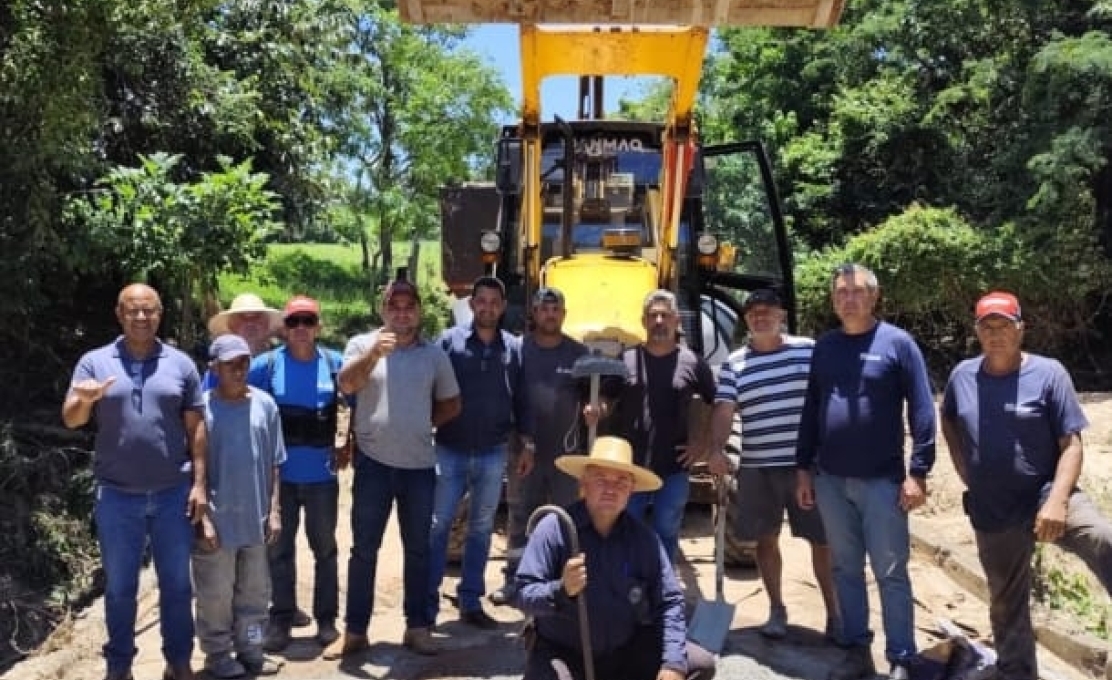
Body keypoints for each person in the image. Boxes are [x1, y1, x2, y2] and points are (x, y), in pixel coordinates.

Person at [940, 291, 1112, 680]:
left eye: (1004, 325)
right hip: (993, 506)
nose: (995, 333)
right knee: (1005, 601)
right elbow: (948, 419)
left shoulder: (1049, 373)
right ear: (977, 332)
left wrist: (1056, 501)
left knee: (1103, 537)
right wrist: (967, 471)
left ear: (1021, 329)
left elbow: (1072, 445)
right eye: (987, 326)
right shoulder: (962, 376)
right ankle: (1017, 673)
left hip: (1047, 492)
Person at [794, 263, 936, 680]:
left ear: (874, 296)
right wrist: (804, 468)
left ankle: (901, 656)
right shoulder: (826, 347)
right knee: (844, 567)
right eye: (841, 293)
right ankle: (855, 646)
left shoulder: (898, 344)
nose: (848, 299)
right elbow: (811, 410)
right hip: (831, 480)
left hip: (883, 483)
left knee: (891, 571)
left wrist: (919, 472)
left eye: (857, 291)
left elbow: (923, 409)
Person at [62, 283, 205, 680]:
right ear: (119, 314)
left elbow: (196, 429)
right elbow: (72, 419)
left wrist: (198, 484)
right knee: (120, 588)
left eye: (150, 310)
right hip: (116, 496)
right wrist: (85, 399)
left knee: (177, 586)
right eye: (133, 310)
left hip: (172, 492)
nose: (141, 317)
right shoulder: (94, 362)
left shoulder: (181, 364)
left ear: (160, 313)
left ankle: (178, 661)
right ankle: (119, 666)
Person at [325, 278, 461, 659]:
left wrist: (420, 423)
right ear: (383, 310)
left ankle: (416, 627)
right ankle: (355, 631)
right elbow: (347, 385)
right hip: (373, 465)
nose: (402, 313)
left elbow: (452, 404)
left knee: (418, 550)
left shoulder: (433, 355)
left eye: (409, 306)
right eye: (394, 306)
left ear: (418, 311)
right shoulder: (361, 345)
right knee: (364, 550)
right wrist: (373, 355)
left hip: (419, 467)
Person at [514, 436, 716, 680]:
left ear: (631, 490)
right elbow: (523, 594)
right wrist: (560, 590)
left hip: (623, 652)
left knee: (698, 664)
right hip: (564, 652)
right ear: (583, 484)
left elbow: (669, 601)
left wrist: (673, 663)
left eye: (621, 481)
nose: (611, 489)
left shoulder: (643, 538)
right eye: (600, 479)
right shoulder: (555, 528)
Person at [706, 288, 839, 640]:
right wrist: (717, 448)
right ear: (746, 321)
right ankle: (777, 610)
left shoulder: (808, 350)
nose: (760, 317)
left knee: (822, 541)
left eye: (767, 311)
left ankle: (835, 613)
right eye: (753, 314)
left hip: (806, 468)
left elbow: (831, 396)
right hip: (758, 467)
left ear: (781, 316)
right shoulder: (735, 363)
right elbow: (723, 408)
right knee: (765, 540)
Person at [591, 289, 716, 563]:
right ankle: (627, 588)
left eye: (665, 315)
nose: (659, 321)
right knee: (626, 529)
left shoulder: (693, 362)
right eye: (653, 316)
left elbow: (718, 402)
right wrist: (596, 408)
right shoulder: (626, 359)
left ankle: (663, 590)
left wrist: (704, 443)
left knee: (666, 531)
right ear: (644, 321)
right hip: (629, 469)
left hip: (673, 466)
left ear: (676, 321)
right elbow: (605, 396)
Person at [251, 296, 346, 652]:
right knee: (279, 551)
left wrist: (349, 443)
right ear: (284, 329)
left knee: (325, 549)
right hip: (280, 479)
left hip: (322, 477)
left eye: (308, 321)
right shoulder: (267, 366)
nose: (301, 329)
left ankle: (326, 620)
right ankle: (282, 618)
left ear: (318, 326)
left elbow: (360, 401)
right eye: (294, 322)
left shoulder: (335, 364)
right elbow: (228, 389)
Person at [428, 276, 524, 628]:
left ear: (502, 307)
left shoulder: (513, 348)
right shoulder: (448, 344)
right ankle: (427, 602)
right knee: (438, 526)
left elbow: (521, 400)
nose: (487, 307)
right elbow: (430, 389)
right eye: (480, 301)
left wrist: (524, 442)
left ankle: (470, 600)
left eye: (494, 302)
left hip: (491, 452)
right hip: (449, 448)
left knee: (481, 528)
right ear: (471, 305)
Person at [193, 335, 286, 678]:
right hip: (216, 522)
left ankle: (251, 652)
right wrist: (202, 520)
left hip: (256, 519)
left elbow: (276, 462)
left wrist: (274, 510)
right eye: (230, 363)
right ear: (213, 368)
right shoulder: (201, 410)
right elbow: (194, 472)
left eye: (244, 362)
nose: (239, 369)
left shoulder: (265, 405)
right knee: (215, 596)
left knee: (255, 595)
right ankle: (217, 656)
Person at [490, 286, 588, 606]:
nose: (550, 314)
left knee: (567, 520)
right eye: (544, 309)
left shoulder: (578, 353)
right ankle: (515, 581)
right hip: (523, 453)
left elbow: (595, 397)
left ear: (564, 314)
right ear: (534, 313)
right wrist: (518, 443)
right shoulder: (517, 350)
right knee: (520, 518)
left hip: (565, 455)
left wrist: (597, 406)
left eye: (555, 309)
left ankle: (566, 584)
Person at [203, 293, 282, 388]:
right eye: (242, 317)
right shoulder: (218, 369)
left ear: (267, 323)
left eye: (257, 317)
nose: (250, 323)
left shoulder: (282, 364)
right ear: (231, 325)